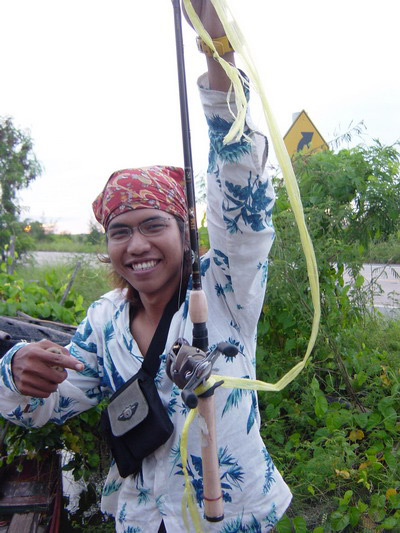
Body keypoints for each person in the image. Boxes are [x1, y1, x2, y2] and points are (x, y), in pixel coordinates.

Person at [0, 1, 292, 531]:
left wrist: (216, 52)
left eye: (153, 225)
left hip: (233, 518)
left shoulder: (228, 288)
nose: (136, 245)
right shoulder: (104, 319)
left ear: (185, 231)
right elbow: (49, 407)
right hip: (139, 517)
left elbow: (241, 204)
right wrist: (16, 372)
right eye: (119, 232)